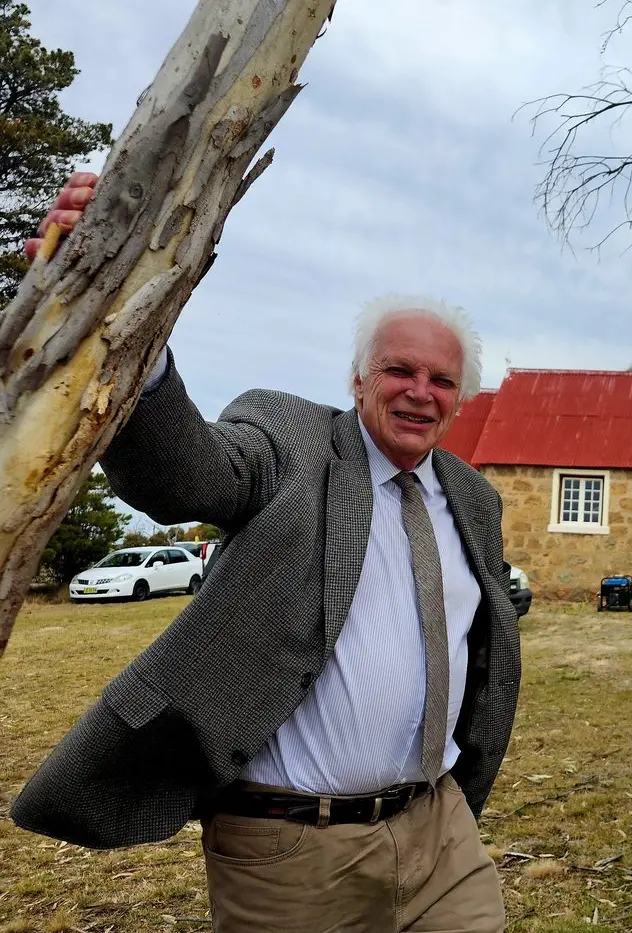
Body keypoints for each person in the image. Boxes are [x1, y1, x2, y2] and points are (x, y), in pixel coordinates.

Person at [12, 173, 521, 933]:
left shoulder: (473, 498)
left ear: (460, 397)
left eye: (441, 379)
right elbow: (189, 474)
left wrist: (457, 796)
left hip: (439, 831)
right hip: (291, 849)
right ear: (358, 379)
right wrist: (128, 321)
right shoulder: (290, 438)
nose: (420, 391)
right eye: (398, 370)